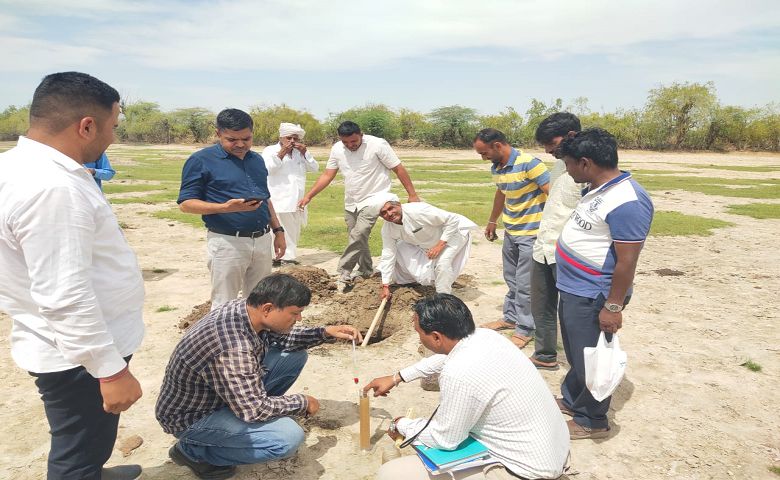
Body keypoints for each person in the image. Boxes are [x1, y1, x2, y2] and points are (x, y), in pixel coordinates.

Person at [0, 72, 144, 479]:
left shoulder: (15, 166)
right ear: (86, 126)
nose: (112, 139)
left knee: (88, 440)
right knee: (76, 453)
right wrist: (111, 370)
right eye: (113, 127)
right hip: (79, 355)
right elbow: (65, 293)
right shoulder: (53, 188)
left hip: (68, 343)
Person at [156, 273, 362, 479]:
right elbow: (254, 409)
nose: (299, 319)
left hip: (221, 396)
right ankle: (193, 452)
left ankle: (236, 423)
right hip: (193, 417)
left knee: (293, 357)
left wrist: (324, 333)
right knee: (287, 438)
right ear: (268, 308)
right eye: (295, 313)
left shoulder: (247, 311)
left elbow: (282, 337)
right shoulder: (233, 347)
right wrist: (302, 402)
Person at [364, 294, 570, 480]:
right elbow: (446, 358)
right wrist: (397, 377)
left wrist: (401, 425)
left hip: (524, 471)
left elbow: (444, 439)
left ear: (436, 337)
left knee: (391, 474)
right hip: (553, 451)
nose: (419, 337)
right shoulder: (485, 336)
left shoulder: (459, 373)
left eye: (419, 333)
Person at [555, 128, 654, 439]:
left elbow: (627, 262)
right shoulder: (598, 189)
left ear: (585, 163)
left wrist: (612, 306)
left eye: (568, 163)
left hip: (594, 294)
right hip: (574, 288)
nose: (566, 169)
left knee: (592, 359)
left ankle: (592, 420)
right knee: (576, 353)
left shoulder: (627, 200)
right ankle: (574, 400)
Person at [178, 108, 286, 309]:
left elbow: (266, 198)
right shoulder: (201, 160)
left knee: (261, 302)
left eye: (246, 138)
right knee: (224, 303)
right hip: (227, 243)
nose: (240, 144)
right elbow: (185, 204)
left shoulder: (257, 160)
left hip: (262, 241)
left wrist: (278, 230)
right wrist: (225, 208)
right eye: (232, 139)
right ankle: (223, 340)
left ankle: (255, 340)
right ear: (218, 133)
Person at [298, 121, 420, 292]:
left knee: (359, 232)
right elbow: (328, 174)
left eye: (354, 142)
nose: (350, 146)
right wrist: (308, 196)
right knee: (356, 237)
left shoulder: (377, 144)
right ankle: (365, 270)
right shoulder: (337, 149)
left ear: (361, 134)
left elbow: (398, 168)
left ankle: (344, 272)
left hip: (377, 197)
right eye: (345, 142)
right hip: (352, 201)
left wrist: (412, 194)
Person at [473, 129, 550, 348]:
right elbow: (501, 193)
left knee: (526, 283)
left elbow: (550, 192)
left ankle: (525, 329)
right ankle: (511, 318)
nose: (483, 157)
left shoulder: (530, 164)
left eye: (484, 152)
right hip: (511, 231)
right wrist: (492, 221)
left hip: (532, 233)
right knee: (512, 278)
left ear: (498, 145)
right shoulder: (497, 168)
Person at [528, 113, 583, 370]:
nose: (548, 149)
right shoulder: (559, 165)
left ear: (572, 135)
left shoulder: (587, 168)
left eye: (552, 142)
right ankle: (544, 355)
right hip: (543, 248)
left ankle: (579, 370)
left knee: (572, 314)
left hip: (568, 252)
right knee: (542, 306)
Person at [377, 200, 476, 297]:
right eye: (384, 213)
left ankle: (444, 298)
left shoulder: (418, 210)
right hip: (428, 243)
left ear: (399, 205)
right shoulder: (387, 229)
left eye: (391, 208)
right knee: (399, 249)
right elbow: (388, 253)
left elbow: (453, 219)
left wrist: (439, 246)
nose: (389, 214)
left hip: (454, 233)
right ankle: (409, 281)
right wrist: (386, 285)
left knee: (443, 263)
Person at [261, 122, 319, 266]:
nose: (292, 141)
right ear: (281, 137)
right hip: (278, 197)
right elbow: (267, 170)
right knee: (277, 229)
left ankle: (286, 257)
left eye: (296, 138)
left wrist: (306, 153)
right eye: (289, 138)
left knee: (293, 229)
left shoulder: (300, 153)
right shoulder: (270, 150)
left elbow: (315, 168)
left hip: (297, 199)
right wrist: (282, 154)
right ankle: (282, 258)